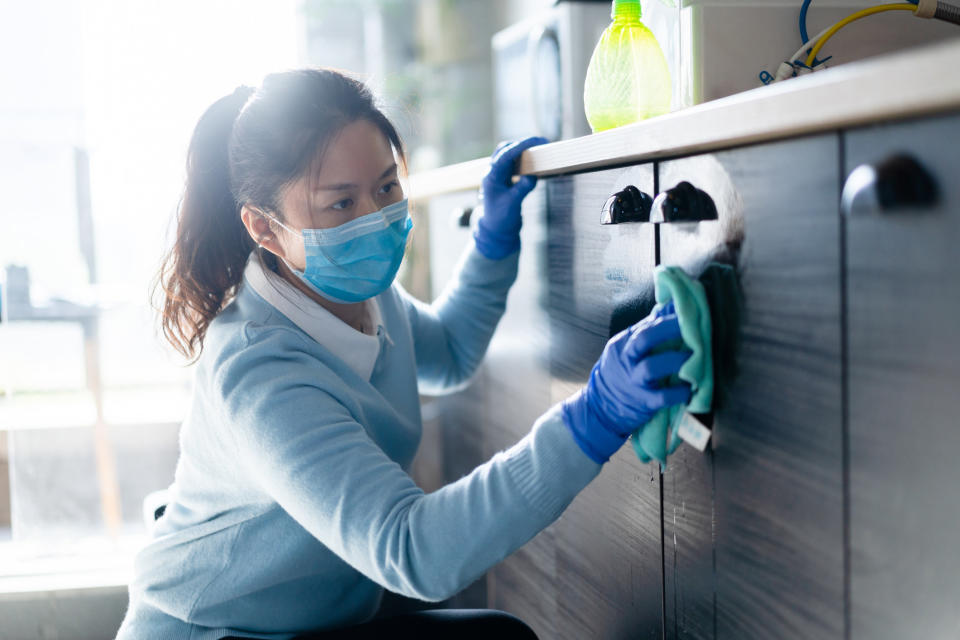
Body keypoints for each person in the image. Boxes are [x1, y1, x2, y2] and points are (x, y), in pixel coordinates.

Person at [114, 68, 692, 640]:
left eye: (387, 187)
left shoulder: (358, 289)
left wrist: (491, 241)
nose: (376, 218)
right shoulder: (259, 371)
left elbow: (449, 351)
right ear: (265, 230)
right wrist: (591, 418)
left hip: (305, 620)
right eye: (340, 204)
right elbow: (415, 552)